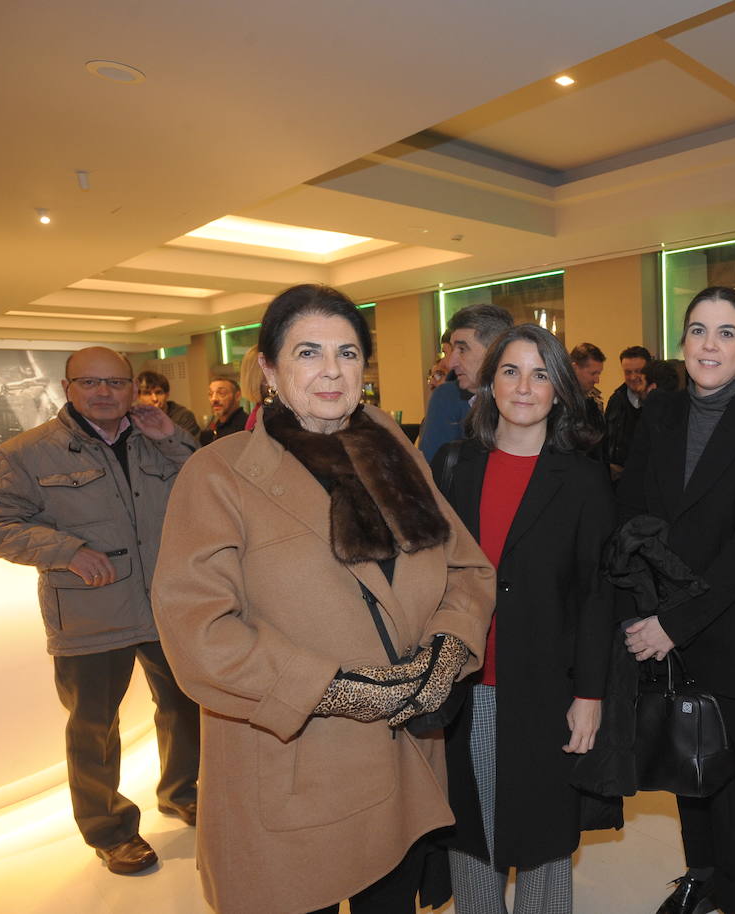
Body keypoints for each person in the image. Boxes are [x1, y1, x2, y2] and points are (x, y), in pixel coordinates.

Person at [150, 284, 495, 914]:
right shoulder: (219, 473)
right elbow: (200, 637)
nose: (333, 370)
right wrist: (344, 689)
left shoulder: (388, 444)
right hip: (295, 764)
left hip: (401, 762)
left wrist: (442, 658)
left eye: (348, 352)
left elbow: (467, 569)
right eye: (309, 352)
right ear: (270, 369)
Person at [0, 346, 200, 875]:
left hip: (165, 606)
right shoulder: (26, 453)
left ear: (132, 388)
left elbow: (208, 487)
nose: (104, 392)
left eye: (115, 382)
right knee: (93, 726)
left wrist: (171, 442)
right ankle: (109, 829)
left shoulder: (156, 441)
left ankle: (182, 791)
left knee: (185, 707)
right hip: (89, 612)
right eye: (90, 383)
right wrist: (66, 551)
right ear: (67, 388)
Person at [619, 287, 735, 914]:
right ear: (684, 343)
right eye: (698, 330)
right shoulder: (660, 413)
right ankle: (702, 876)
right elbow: (633, 515)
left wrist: (674, 622)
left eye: (726, 333)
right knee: (686, 763)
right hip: (664, 623)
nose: (710, 345)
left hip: (733, 627)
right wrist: (643, 608)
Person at [430, 323, 614, 914]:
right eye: (510, 371)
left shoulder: (584, 479)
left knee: (543, 839)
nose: (525, 386)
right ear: (489, 385)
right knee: (471, 835)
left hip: (544, 686)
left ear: (560, 390)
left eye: (540, 374)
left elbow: (596, 594)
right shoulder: (454, 465)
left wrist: (590, 694)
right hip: (465, 683)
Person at [419, 305, 514, 463]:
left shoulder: (526, 405)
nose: (450, 363)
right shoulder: (447, 397)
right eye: (452, 350)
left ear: (494, 351)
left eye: (462, 349)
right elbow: (430, 473)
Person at [604, 344, 652, 478]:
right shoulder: (616, 400)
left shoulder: (660, 402)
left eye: (638, 371)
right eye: (628, 372)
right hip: (620, 480)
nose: (633, 377)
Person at [135, 369, 200, 438]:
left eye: (158, 392)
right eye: (147, 393)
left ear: (167, 395)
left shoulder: (184, 416)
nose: (154, 399)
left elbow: (188, 446)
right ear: (138, 396)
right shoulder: (134, 419)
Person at [200, 376, 248, 445]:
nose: (214, 399)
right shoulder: (215, 426)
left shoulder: (245, 426)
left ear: (237, 396)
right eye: (210, 394)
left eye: (221, 393)